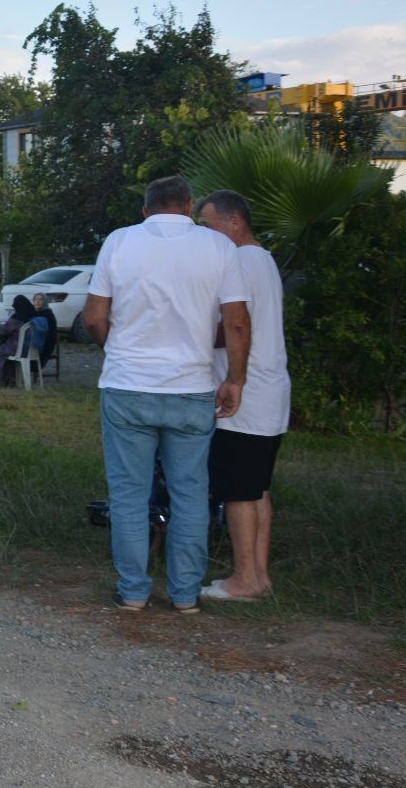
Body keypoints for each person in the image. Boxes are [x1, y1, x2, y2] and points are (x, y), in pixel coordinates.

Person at [83, 176, 251, 614]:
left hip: (127, 388)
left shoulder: (119, 242)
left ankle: (134, 591)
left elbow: (95, 317)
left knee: (129, 494)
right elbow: (235, 322)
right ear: (190, 206)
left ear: (145, 209)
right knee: (191, 493)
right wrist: (235, 378)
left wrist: (115, 349)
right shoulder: (218, 248)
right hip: (192, 389)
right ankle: (184, 594)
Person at [197, 190, 289, 602]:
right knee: (256, 488)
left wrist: (188, 332)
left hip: (246, 394)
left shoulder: (241, 261)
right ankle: (259, 576)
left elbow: (236, 325)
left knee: (237, 490)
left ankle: (244, 580)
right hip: (267, 391)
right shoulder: (262, 259)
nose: (203, 235)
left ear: (234, 222)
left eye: (208, 226)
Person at [0, 295, 36, 388]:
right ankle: (11, 379)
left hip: (15, 348)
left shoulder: (15, 319)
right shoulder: (31, 317)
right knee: (5, 356)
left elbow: (2, 332)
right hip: (28, 348)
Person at [31, 292, 59, 365]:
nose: (37, 301)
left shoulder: (48, 314)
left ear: (45, 302)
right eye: (35, 299)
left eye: (41, 299)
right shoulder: (31, 313)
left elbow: (52, 334)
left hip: (45, 345)